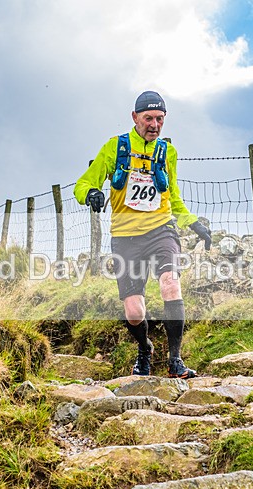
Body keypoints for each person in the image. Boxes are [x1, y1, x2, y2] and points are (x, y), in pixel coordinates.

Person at [74, 90, 211, 379]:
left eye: (160, 119)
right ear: (134, 117)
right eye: (148, 118)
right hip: (125, 237)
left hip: (161, 230)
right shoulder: (115, 147)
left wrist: (192, 223)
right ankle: (144, 348)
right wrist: (92, 194)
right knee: (134, 311)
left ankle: (176, 361)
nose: (154, 125)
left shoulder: (167, 152)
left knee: (170, 284)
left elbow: (172, 196)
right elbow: (83, 183)